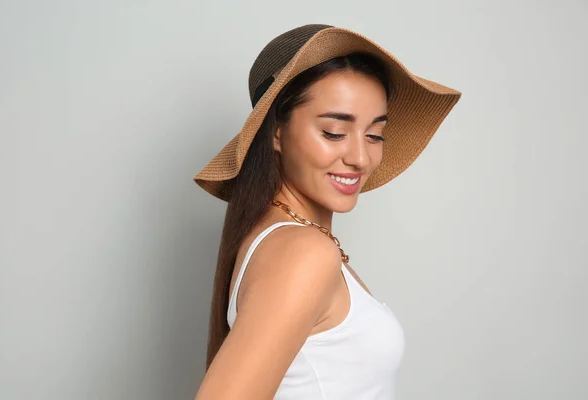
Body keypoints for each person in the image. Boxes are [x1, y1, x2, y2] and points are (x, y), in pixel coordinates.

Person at [193, 24, 461, 399]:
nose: (360, 158)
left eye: (374, 135)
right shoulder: (304, 252)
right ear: (276, 132)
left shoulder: (288, 240)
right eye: (335, 132)